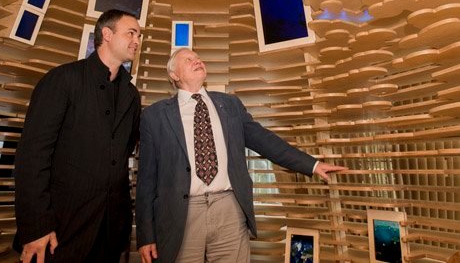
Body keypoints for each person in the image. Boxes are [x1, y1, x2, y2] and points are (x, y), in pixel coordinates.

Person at [136, 48, 347, 263]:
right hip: (180, 214)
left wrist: (312, 164)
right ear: (174, 74)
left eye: (198, 57)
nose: (197, 60)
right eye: (188, 59)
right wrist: (146, 236)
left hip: (229, 207)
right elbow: (146, 180)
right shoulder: (154, 116)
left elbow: (264, 140)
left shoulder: (230, 104)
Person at [14, 9, 142, 263]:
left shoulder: (132, 95)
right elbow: (32, 156)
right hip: (59, 230)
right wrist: (36, 226)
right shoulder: (63, 79)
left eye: (139, 35)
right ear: (107, 34)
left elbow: (123, 151)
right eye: (131, 33)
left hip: (109, 232)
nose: (137, 41)